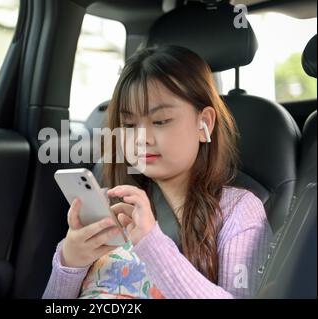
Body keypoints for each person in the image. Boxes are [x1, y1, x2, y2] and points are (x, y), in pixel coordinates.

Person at [42, 45, 272, 299]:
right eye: (129, 124)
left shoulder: (237, 211)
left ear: (204, 122)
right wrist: (70, 262)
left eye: (160, 121)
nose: (142, 138)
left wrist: (151, 244)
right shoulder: (108, 203)